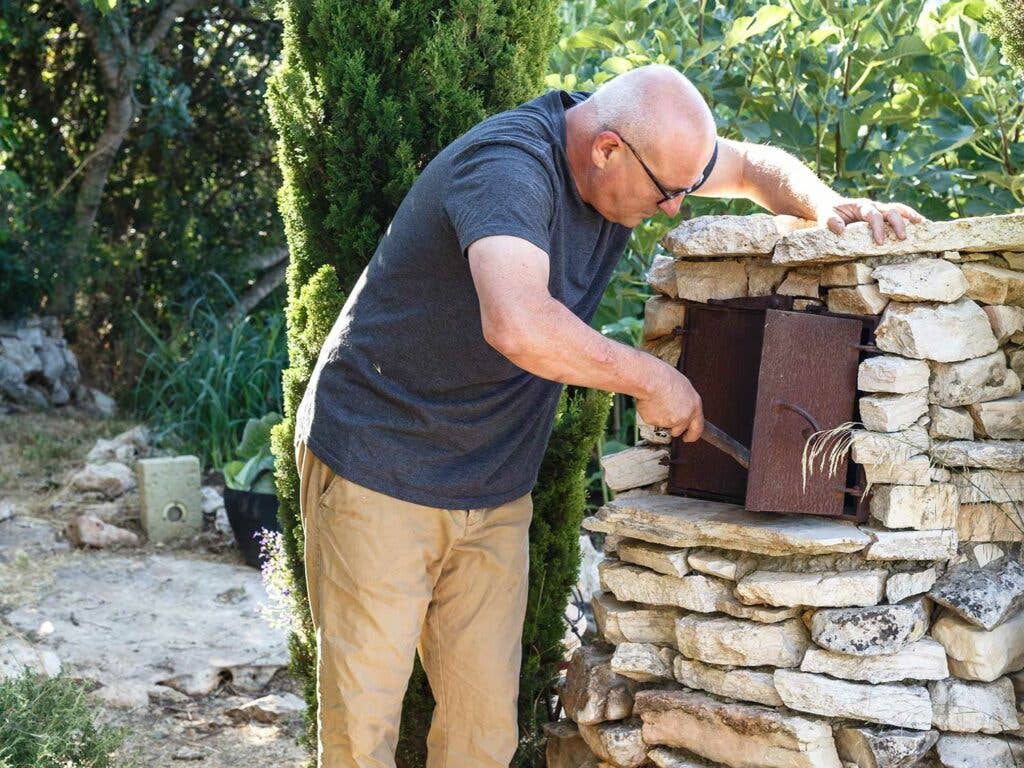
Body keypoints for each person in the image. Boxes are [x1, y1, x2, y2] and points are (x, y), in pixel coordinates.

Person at [292, 63, 923, 768]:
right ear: (606, 149)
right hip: (380, 464)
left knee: (482, 735)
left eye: (685, 189)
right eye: (667, 192)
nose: (675, 209)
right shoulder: (507, 168)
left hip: (491, 484)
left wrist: (827, 204)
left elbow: (752, 166)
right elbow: (518, 322)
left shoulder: (645, 145)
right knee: (362, 732)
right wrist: (650, 378)